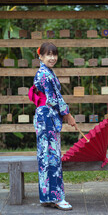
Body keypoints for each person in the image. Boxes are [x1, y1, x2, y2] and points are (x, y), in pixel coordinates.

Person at [28, 42, 78, 211]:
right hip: (47, 117)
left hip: (46, 118)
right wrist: (68, 115)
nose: (52, 58)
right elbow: (53, 99)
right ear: (40, 56)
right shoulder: (44, 74)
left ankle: (47, 197)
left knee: (47, 157)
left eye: (54, 54)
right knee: (51, 158)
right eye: (48, 54)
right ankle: (57, 198)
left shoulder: (47, 72)